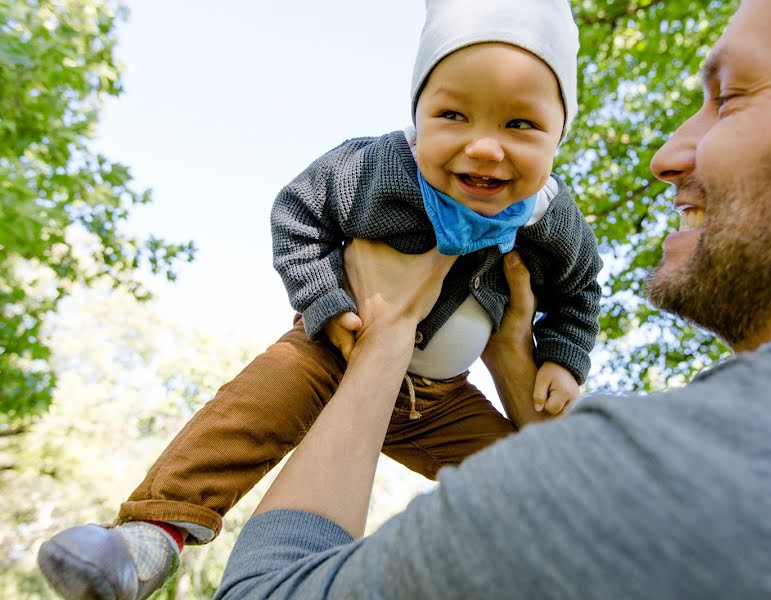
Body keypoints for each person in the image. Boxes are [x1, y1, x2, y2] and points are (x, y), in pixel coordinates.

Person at [207, 0, 771, 597]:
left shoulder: (697, 467)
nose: (667, 154)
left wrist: (389, 332)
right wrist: (516, 361)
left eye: (731, 97)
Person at [37, 1, 603, 599]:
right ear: (418, 117)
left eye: (521, 125)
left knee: (522, 482)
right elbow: (298, 214)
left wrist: (564, 357)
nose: (484, 147)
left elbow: (579, 289)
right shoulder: (375, 167)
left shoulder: (549, 219)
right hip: (334, 352)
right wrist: (325, 301)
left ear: (559, 134)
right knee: (249, 413)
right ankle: (150, 534)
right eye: (453, 115)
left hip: (441, 401)